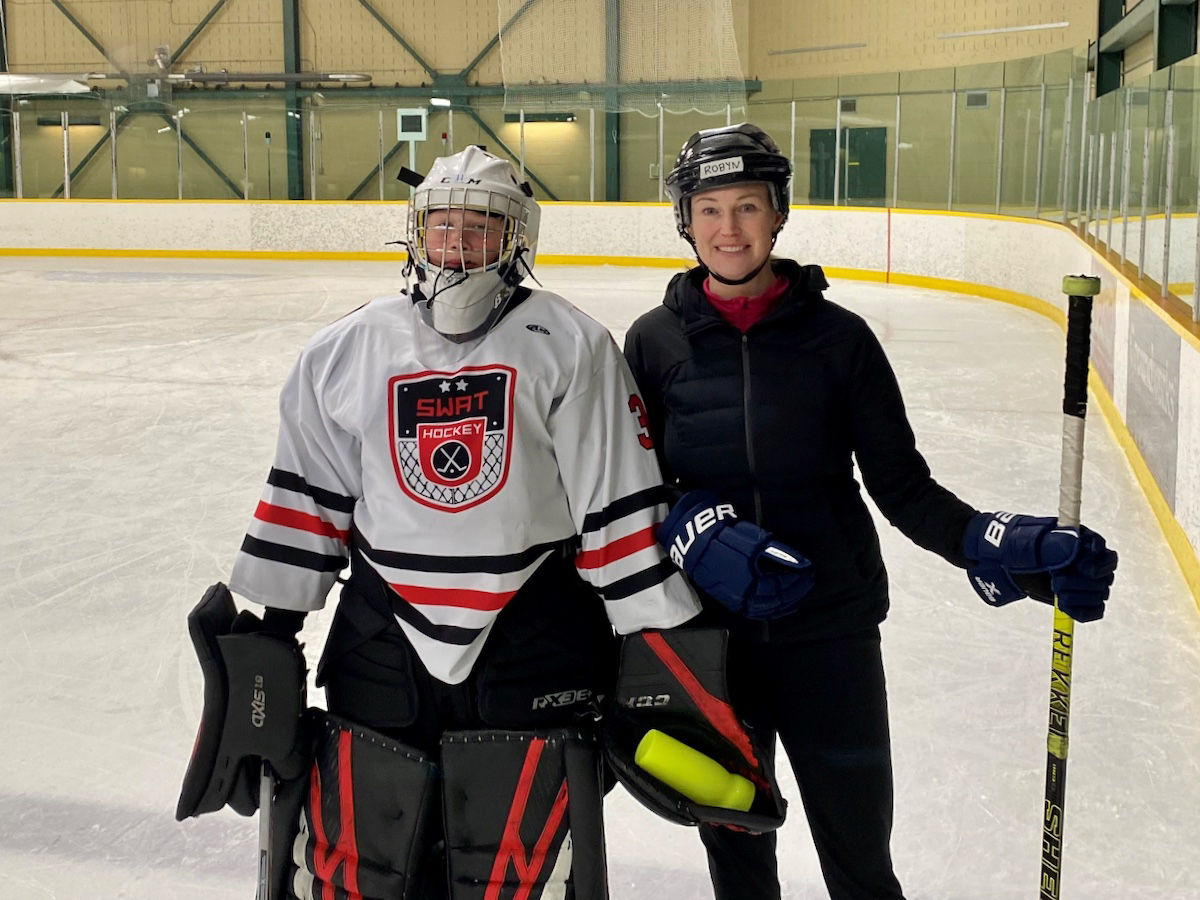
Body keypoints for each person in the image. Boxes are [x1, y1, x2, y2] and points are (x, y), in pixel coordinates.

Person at [178, 145, 703, 899]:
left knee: (515, 871)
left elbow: (613, 501)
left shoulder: (573, 344)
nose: (458, 247)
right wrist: (270, 632)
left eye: (481, 230)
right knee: (372, 863)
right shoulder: (345, 349)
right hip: (381, 643)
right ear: (415, 232)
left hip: (533, 642)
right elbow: (309, 498)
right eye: (443, 227)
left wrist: (659, 653)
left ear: (517, 238)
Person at [622, 123, 1119, 900]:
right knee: (738, 858)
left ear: (777, 214)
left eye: (747, 206)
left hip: (832, 638)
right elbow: (633, 491)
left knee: (859, 861)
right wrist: (685, 522)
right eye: (709, 209)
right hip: (710, 642)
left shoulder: (840, 342)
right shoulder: (652, 345)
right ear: (683, 220)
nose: (729, 229)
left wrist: (997, 545)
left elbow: (903, 488)